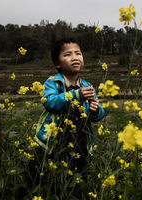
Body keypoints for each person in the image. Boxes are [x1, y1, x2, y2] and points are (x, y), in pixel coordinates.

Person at [34, 37, 105, 174]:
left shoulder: (87, 87)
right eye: (68, 54)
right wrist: (76, 95)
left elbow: (98, 114)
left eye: (78, 53)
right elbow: (50, 103)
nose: (74, 58)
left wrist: (96, 111)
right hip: (55, 141)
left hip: (80, 141)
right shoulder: (52, 83)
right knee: (53, 175)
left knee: (79, 176)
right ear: (57, 63)